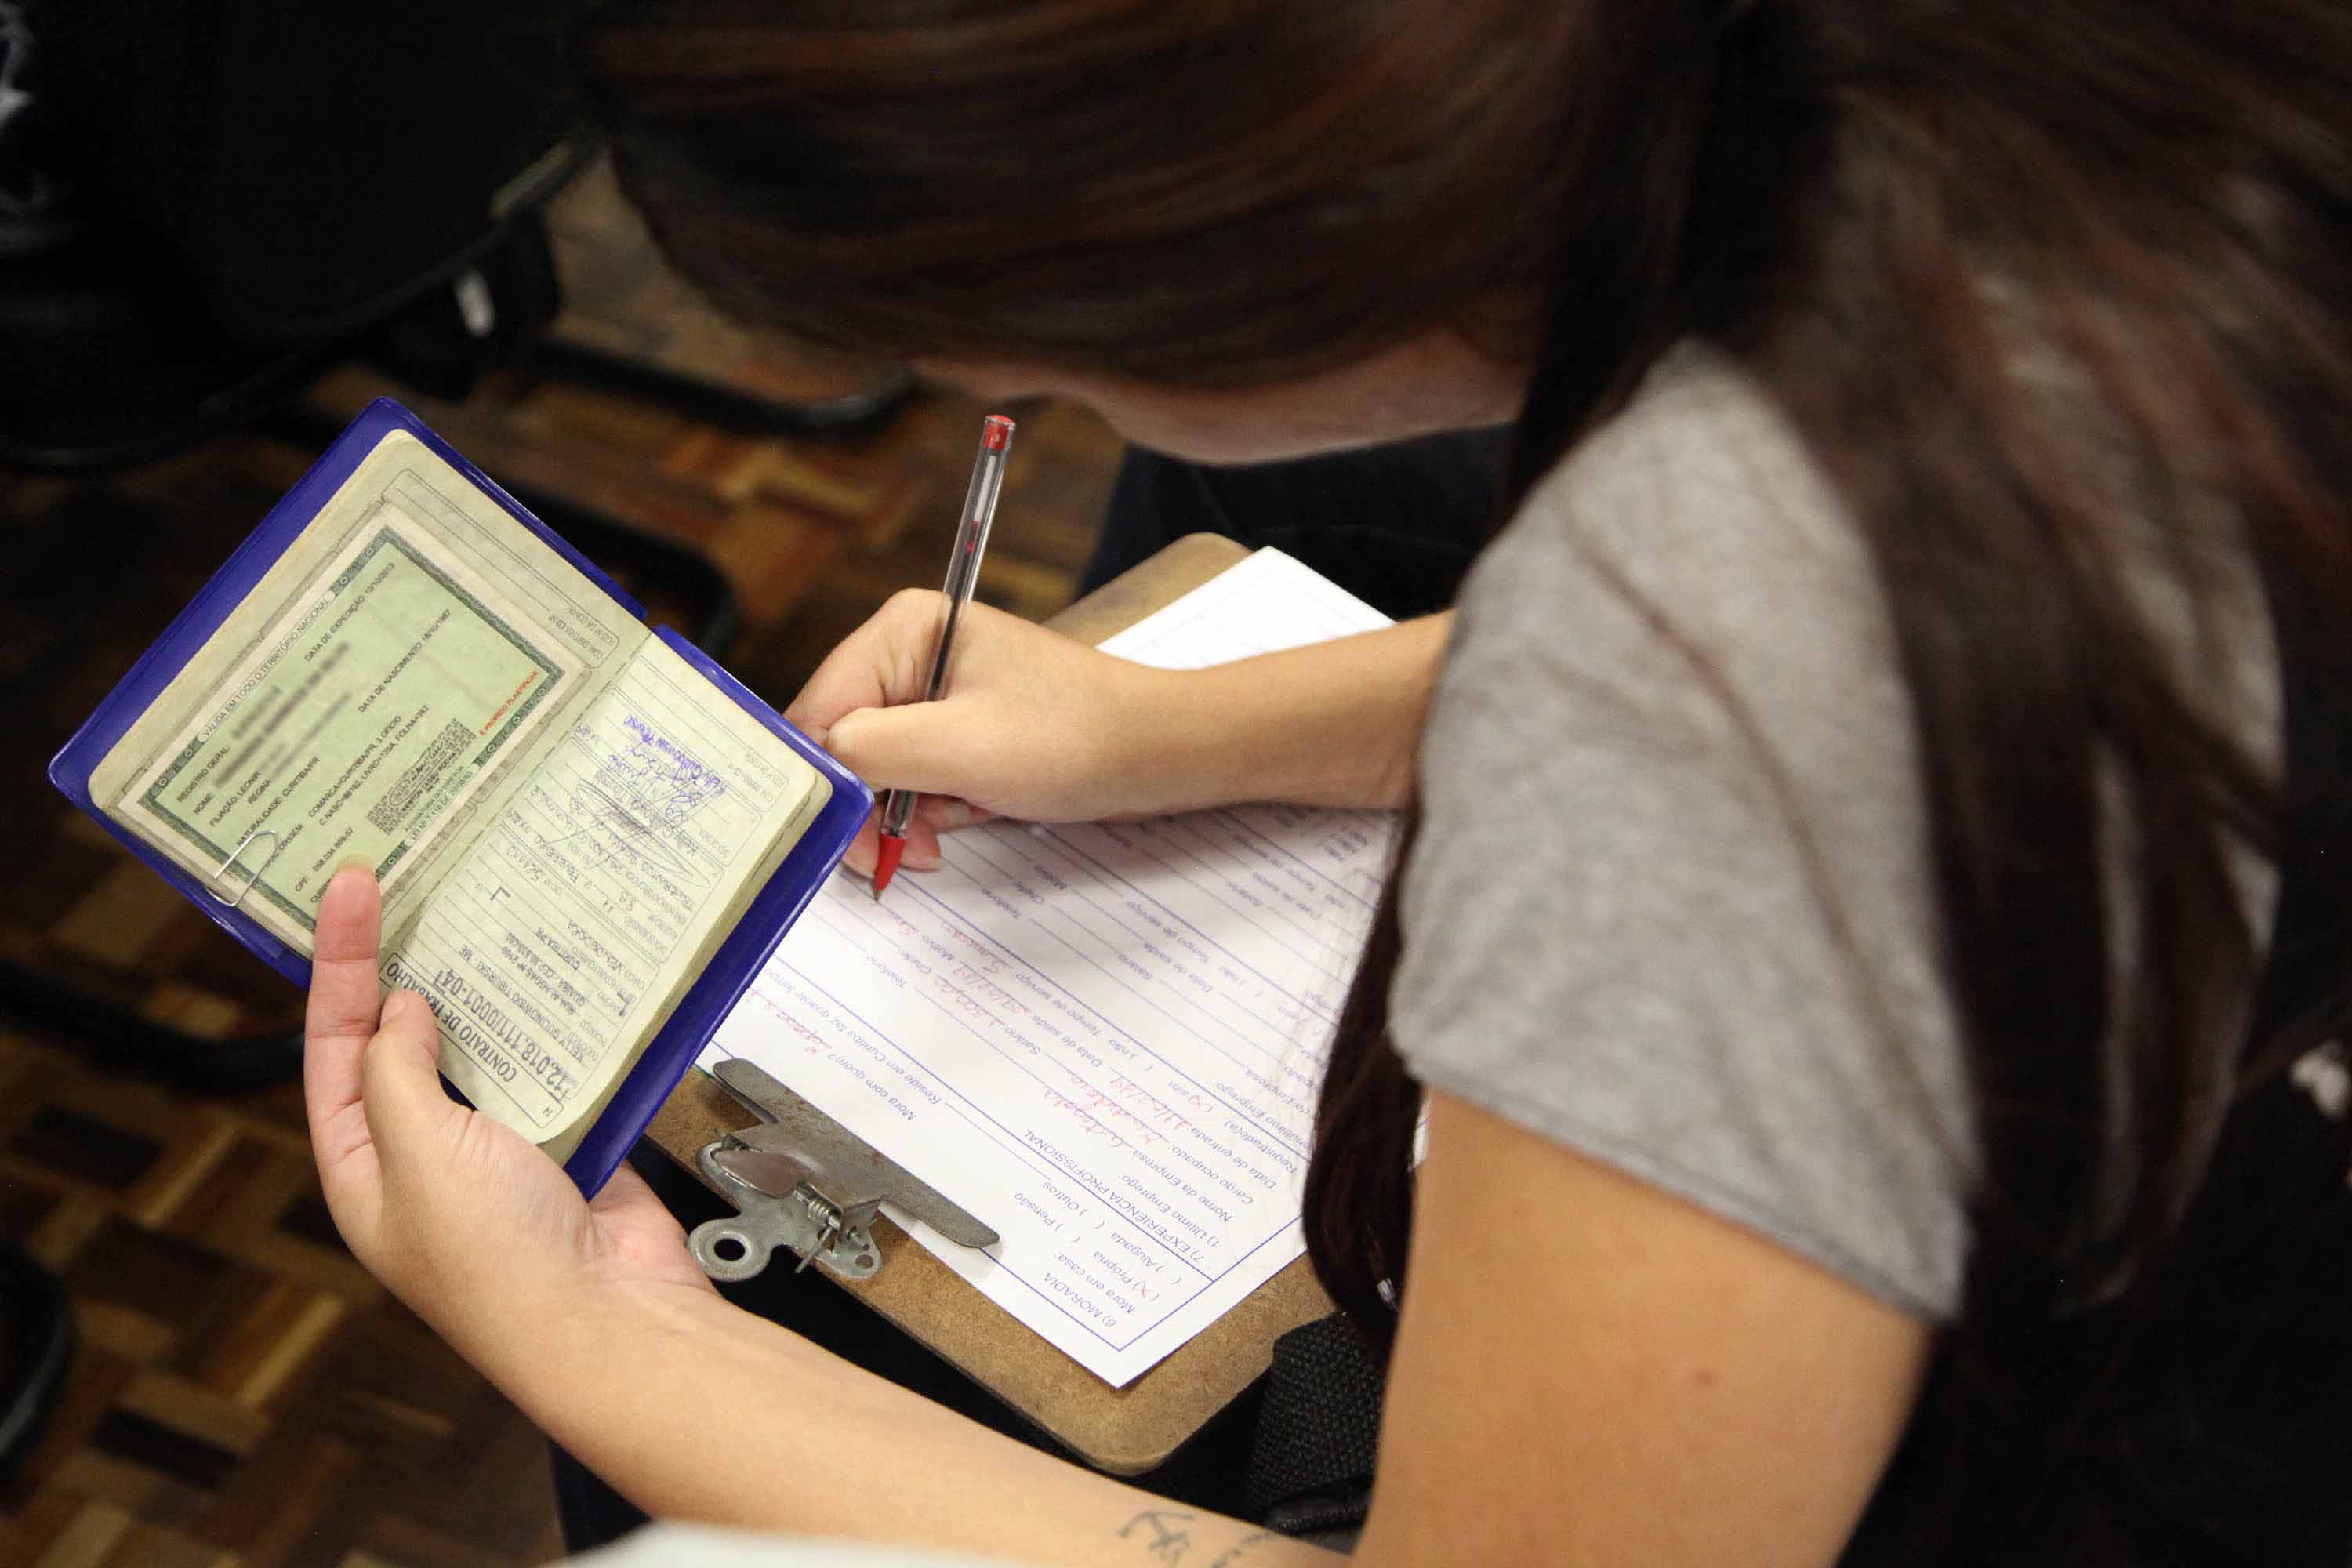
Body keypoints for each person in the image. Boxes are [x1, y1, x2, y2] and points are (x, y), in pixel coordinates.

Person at [299, 3, 2352, 1564]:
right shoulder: (2032, 129)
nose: (1011, 408)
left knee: (727, 1281)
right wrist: (1168, 732)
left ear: (1190, 238)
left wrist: (608, 1334)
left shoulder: (1712, 662)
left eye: (998, 353)